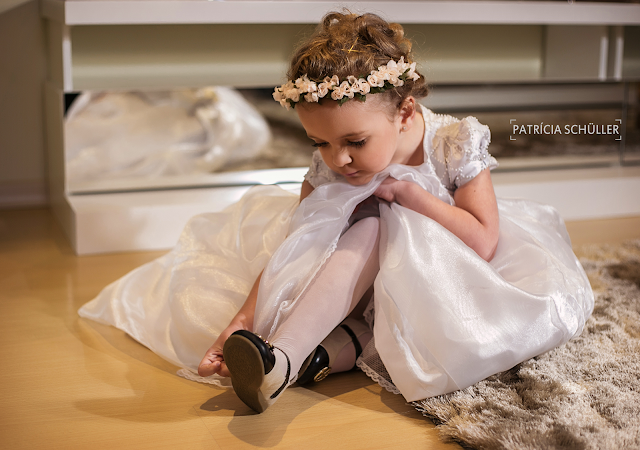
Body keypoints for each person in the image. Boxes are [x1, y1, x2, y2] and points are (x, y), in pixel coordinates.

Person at [79, 11, 594, 414]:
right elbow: (297, 244)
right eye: (319, 142)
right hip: (350, 286)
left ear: (407, 111)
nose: (338, 159)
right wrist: (244, 317)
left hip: (454, 282)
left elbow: (484, 241)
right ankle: (282, 360)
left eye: (355, 142)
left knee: (378, 221)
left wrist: (412, 196)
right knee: (365, 225)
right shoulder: (331, 165)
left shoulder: (456, 142)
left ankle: (294, 357)